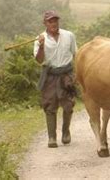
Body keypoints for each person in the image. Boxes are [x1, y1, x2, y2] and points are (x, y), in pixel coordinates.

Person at [33, 10, 77, 148]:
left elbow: (76, 54)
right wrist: (41, 46)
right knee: (50, 107)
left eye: (55, 20)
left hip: (67, 74)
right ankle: (52, 137)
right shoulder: (39, 38)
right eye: (50, 21)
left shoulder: (69, 35)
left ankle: (66, 132)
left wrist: (78, 75)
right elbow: (39, 60)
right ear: (45, 23)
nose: (54, 23)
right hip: (50, 76)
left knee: (69, 105)